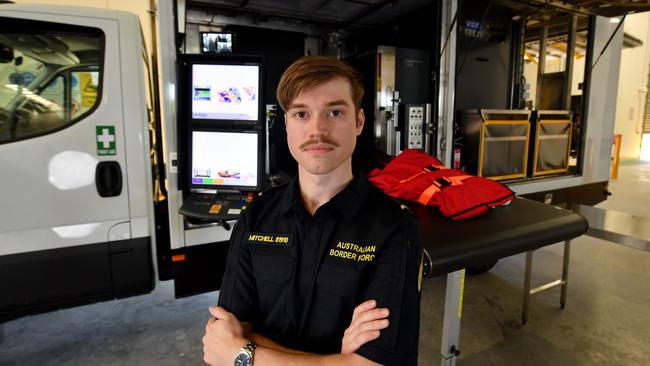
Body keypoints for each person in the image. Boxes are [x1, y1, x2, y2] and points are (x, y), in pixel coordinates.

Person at [203, 55, 423, 366]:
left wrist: (245, 355)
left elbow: (379, 365)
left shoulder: (394, 228)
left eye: (334, 112)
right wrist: (339, 359)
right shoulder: (257, 215)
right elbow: (223, 338)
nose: (317, 129)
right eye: (302, 114)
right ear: (287, 125)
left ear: (359, 122)